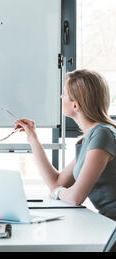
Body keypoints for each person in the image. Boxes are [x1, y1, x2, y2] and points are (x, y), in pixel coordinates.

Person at [14, 69, 116, 220]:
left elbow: (75, 197)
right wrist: (32, 138)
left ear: (76, 105)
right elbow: (56, 182)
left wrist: (57, 193)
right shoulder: (92, 137)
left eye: (64, 93)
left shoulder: (102, 134)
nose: (61, 97)